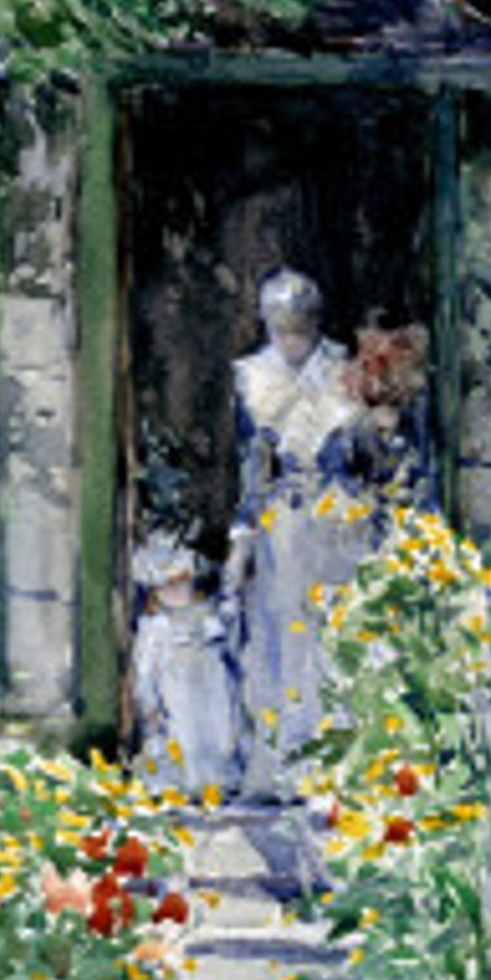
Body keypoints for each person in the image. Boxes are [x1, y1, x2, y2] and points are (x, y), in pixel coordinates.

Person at [225, 269, 374, 798]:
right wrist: (242, 537)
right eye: (280, 330)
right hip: (281, 522)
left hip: (336, 521)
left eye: (299, 330)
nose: (290, 341)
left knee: (330, 634)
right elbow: (251, 464)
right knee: (278, 633)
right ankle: (280, 765)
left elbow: (363, 457)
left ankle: (333, 764)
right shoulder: (253, 375)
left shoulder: (341, 369)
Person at [131, 536, 239, 797]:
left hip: (210, 684)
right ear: (155, 592)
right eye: (167, 586)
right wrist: (148, 702)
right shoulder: (155, 627)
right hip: (175, 687)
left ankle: (218, 782)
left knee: (217, 731)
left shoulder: (208, 616)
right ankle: (185, 784)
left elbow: (226, 645)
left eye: (181, 583)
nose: (176, 592)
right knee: (183, 735)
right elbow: (145, 668)